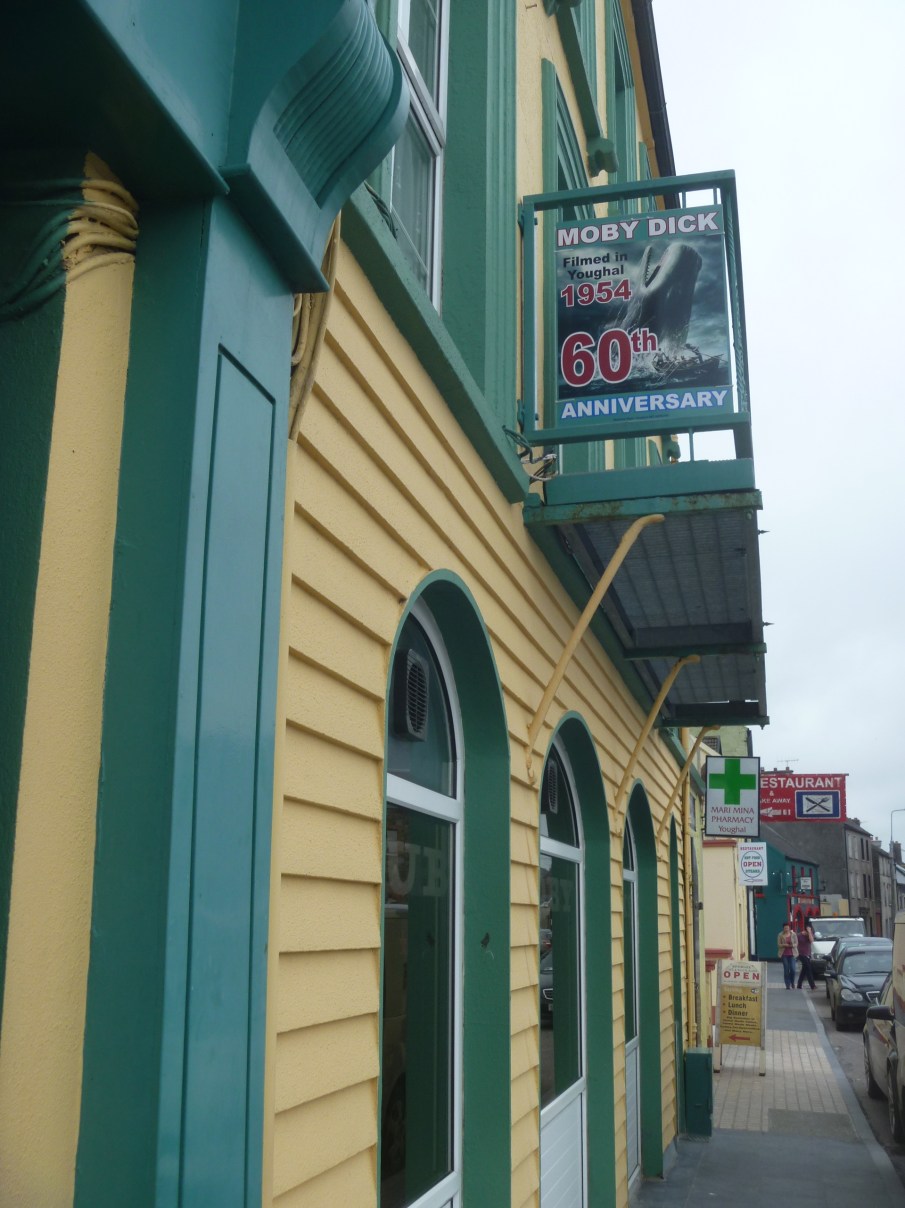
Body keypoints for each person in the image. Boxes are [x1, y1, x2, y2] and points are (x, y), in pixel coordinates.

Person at [777, 922, 798, 989]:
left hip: (792, 954)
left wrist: (792, 945)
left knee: (793, 969)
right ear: (783, 928)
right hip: (784, 954)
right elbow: (779, 944)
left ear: (789, 928)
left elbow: (796, 943)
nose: (786, 929)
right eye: (785, 928)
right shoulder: (780, 935)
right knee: (786, 970)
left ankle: (792, 982)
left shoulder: (793, 934)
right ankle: (787, 985)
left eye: (787, 928)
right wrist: (784, 945)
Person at [796, 920, 816, 989]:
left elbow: (811, 941)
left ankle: (799, 984)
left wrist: (809, 932)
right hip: (801, 954)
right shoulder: (799, 935)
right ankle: (812, 986)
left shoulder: (810, 934)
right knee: (808, 968)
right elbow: (796, 944)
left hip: (808, 954)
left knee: (804, 970)